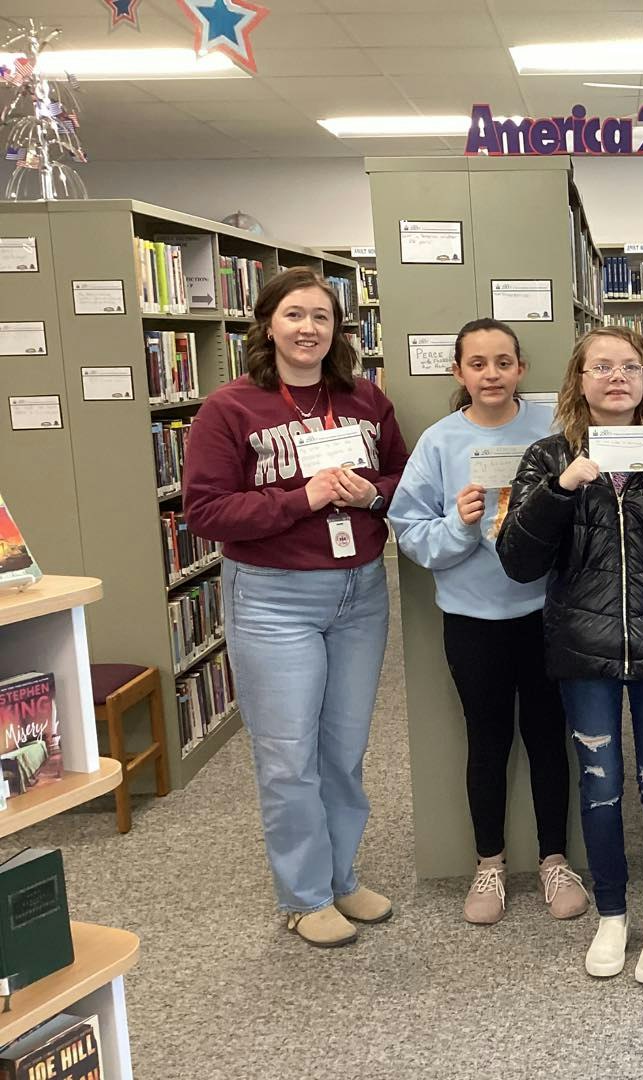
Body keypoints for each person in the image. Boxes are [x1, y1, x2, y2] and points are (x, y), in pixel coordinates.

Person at [496, 326, 643, 985]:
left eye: (629, 367)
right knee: (599, 788)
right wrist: (564, 488)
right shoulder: (548, 458)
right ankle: (609, 914)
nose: (616, 377)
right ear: (579, 381)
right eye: (601, 367)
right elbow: (517, 561)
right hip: (583, 648)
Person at [184, 267, 409, 948]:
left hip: (360, 591)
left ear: (338, 328)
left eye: (321, 316)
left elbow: (402, 476)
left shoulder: (365, 398)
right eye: (294, 315)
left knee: (343, 750)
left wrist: (369, 495)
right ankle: (303, 893)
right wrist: (301, 498)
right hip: (273, 596)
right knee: (287, 755)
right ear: (267, 325)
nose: (309, 328)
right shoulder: (232, 408)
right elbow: (205, 511)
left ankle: (341, 877)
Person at [388, 318, 587, 927]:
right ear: (459, 373)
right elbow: (409, 531)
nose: (492, 374)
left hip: (545, 611)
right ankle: (490, 863)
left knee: (549, 738)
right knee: (487, 739)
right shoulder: (440, 442)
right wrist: (459, 524)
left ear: (521, 368)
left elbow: (584, 512)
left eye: (504, 362)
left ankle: (555, 859)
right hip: (473, 618)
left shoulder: (554, 427)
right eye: (478, 364)